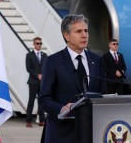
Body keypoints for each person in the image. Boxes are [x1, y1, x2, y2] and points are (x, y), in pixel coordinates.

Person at [39, 14, 105, 143]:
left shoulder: (97, 61)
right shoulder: (53, 61)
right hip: (62, 134)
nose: (84, 35)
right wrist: (62, 109)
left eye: (86, 31)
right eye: (79, 31)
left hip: (91, 133)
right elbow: (44, 99)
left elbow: (103, 94)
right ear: (66, 35)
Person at [25, 37, 47, 128]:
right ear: (34, 44)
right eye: (37, 43)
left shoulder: (45, 55)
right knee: (31, 101)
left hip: (42, 82)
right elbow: (28, 68)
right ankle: (28, 121)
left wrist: (43, 75)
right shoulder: (29, 55)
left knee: (41, 101)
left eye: (40, 43)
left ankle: (42, 120)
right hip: (33, 82)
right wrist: (37, 75)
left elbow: (47, 67)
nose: (39, 45)